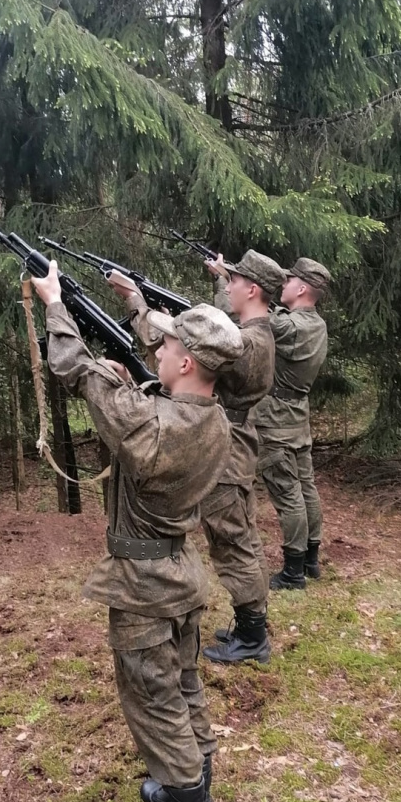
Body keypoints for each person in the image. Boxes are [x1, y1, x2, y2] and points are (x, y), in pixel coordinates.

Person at [32, 261, 244, 802]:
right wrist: (133, 380)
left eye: (167, 345)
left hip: (144, 585)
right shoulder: (213, 421)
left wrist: (55, 305)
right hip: (178, 573)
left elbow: (74, 369)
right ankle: (191, 781)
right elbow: (149, 408)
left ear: (187, 363)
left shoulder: (151, 425)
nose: (159, 349)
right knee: (183, 684)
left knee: (153, 697)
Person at [110, 249, 284, 665]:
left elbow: (173, 349)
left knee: (232, 540)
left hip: (224, 449)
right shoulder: (256, 335)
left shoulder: (247, 342)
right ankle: (251, 624)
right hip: (233, 441)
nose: (228, 284)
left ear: (252, 289)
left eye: (234, 280)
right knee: (239, 535)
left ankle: (253, 635)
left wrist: (136, 302)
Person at [254, 257, 330, 590]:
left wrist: (225, 281)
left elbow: (252, 317)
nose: (282, 285)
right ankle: (310, 559)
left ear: (301, 288)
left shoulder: (291, 326)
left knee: (288, 493)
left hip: (276, 420)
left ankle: (293, 572)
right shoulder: (317, 325)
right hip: (297, 416)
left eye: (288, 281)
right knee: (306, 487)